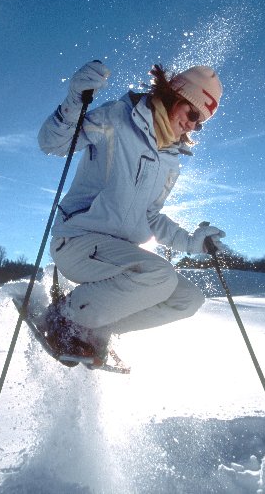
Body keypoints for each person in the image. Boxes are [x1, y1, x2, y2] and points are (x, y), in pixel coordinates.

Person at [37, 60, 227, 365]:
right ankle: (64, 317)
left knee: (188, 299)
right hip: (77, 240)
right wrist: (74, 99)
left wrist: (193, 242)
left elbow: (151, 216)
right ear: (175, 95)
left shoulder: (171, 160)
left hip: (117, 255)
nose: (193, 125)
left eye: (200, 122)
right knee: (159, 275)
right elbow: (53, 143)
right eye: (192, 113)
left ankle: (96, 329)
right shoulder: (117, 118)